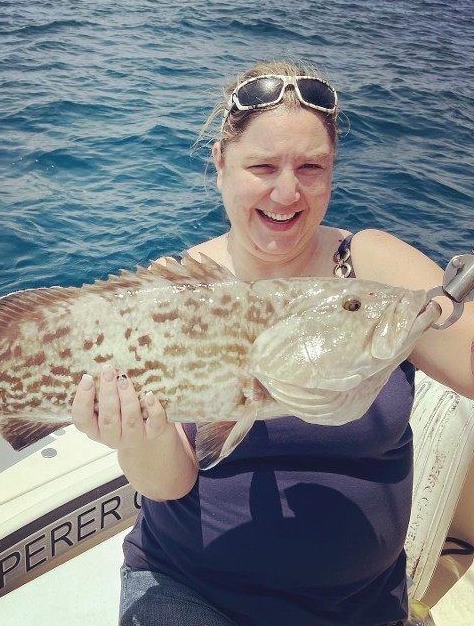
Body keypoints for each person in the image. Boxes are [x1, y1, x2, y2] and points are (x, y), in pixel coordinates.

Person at [70, 59, 474, 626]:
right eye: (262, 165)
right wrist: (138, 436)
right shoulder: (176, 290)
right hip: (192, 592)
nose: (287, 191)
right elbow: (171, 480)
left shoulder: (371, 269)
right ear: (220, 164)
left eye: (311, 166)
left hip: (364, 604)